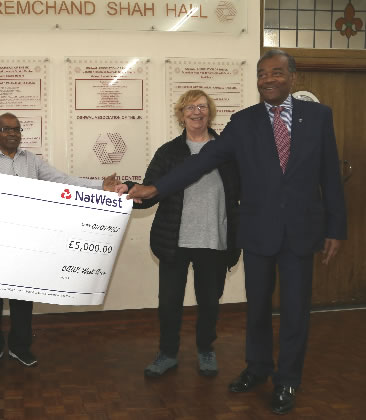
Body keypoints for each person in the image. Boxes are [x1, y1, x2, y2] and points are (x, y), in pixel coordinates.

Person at [119, 50, 346, 415]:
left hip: (302, 232)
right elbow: (203, 161)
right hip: (257, 233)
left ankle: (287, 378)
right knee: (256, 309)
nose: (267, 79)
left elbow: (330, 175)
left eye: (275, 72)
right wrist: (155, 188)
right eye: (261, 74)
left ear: (292, 77)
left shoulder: (319, 117)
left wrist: (336, 227)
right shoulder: (243, 122)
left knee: (294, 311)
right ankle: (257, 369)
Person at [0, 112, 120, 368]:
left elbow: (63, 181)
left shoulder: (32, 160)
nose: (13, 134)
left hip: (27, 240)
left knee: (23, 297)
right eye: (7, 129)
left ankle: (20, 348)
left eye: (17, 129)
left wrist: (100, 186)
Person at [118, 90, 240, 378]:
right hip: (174, 241)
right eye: (190, 108)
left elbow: (244, 192)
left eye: (202, 107)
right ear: (180, 115)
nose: (196, 113)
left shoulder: (227, 151)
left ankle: (205, 350)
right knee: (169, 303)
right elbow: (150, 192)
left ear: (210, 112)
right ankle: (167, 353)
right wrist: (128, 188)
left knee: (210, 302)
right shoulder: (169, 152)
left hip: (215, 240)